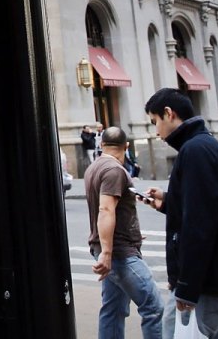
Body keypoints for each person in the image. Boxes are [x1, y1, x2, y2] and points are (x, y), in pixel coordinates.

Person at [142, 88, 218, 339]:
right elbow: (206, 205)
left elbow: (200, 224)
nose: (156, 131)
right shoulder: (204, 145)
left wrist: (187, 287)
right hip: (215, 282)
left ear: (168, 114)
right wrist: (168, 202)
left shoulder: (195, 151)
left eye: (154, 122)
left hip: (207, 285)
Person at [84, 126, 163, 339]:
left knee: (113, 309)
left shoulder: (94, 168)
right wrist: (107, 254)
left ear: (101, 145)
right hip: (119, 253)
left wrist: (131, 232)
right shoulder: (114, 171)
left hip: (111, 247)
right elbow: (106, 209)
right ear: (126, 146)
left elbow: (111, 210)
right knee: (153, 306)